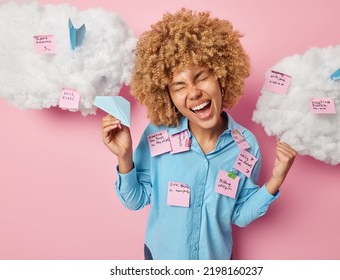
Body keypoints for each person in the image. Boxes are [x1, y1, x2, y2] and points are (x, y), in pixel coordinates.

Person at [102, 8, 296, 260]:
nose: (193, 93)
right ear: (168, 97)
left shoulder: (246, 145)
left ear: (221, 77)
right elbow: (134, 200)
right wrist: (124, 158)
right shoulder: (157, 134)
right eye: (179, 86)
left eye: (201, 77)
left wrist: (276, 180)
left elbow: (239, 215)